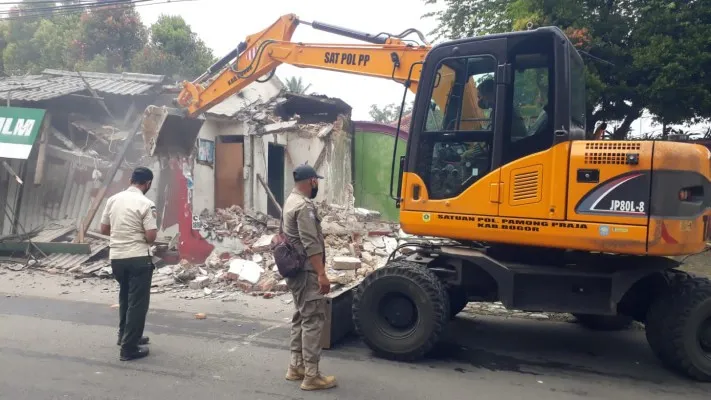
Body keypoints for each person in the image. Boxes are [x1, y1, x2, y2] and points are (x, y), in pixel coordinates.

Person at [282, 164, 337, 391]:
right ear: (312, 181)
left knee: (301, 316)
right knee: (313, 319)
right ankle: (312, 376)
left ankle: (296, 366)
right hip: (306, 271)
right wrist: (321, 274)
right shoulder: (304, 206)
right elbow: (310, 243)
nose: (318, 185)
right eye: (317, 181)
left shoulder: (290, 200)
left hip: (296, 272)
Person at [100, 167, 158, 361]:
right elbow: (151, 237)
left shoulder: (113, 199)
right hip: (138, 258)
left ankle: (124, 336)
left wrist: (122, 236)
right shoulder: (146, 203)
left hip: (117, 258)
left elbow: (104, 228)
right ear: (147, 183)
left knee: (125, 296)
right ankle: (129, 348)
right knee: (137, 303)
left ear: (131, 179)